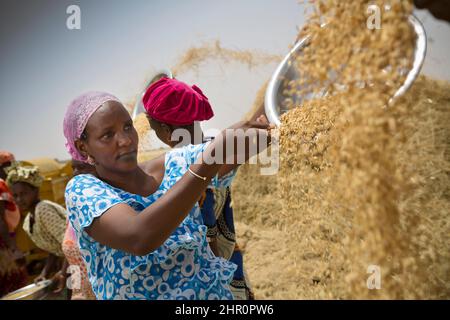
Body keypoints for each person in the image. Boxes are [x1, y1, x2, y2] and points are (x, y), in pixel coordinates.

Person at [63, 91, 272, 300]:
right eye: (108, 135)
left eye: (128, 127)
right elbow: (139, 237)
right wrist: (208, 161)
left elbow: (236, 145)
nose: (125, 140)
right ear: (83, 147)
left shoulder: (173, 164)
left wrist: (278, 94)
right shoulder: (83, 190)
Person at [143, 77, 260, 299]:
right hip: (229, 266)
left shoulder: (185, 165)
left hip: (208, 281)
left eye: (154, 129)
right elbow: (253, 137)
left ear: (167, 131)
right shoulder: (214, 145)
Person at [6, 163, 68, 293]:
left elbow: (69, 244)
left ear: (36, 190)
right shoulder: (28, 219)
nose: (19, 199)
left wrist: (63, 273)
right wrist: (44, 273)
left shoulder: (43, 209)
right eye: (15, 196)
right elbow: (55, 248)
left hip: (83, 259)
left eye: (24, 194)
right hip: (72, 260)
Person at [61, 159, 96, 300]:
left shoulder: (104, 210)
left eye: (81, 167)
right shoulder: (74, 208)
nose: (75, 173)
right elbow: (72, 258)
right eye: (73, 168)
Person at [0, 151, 27, 297]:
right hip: (3, 244)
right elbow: (0, 220)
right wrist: (13, 248)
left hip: (6, 239)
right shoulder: (0, 184)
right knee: (14, 286)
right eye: (8, 166)